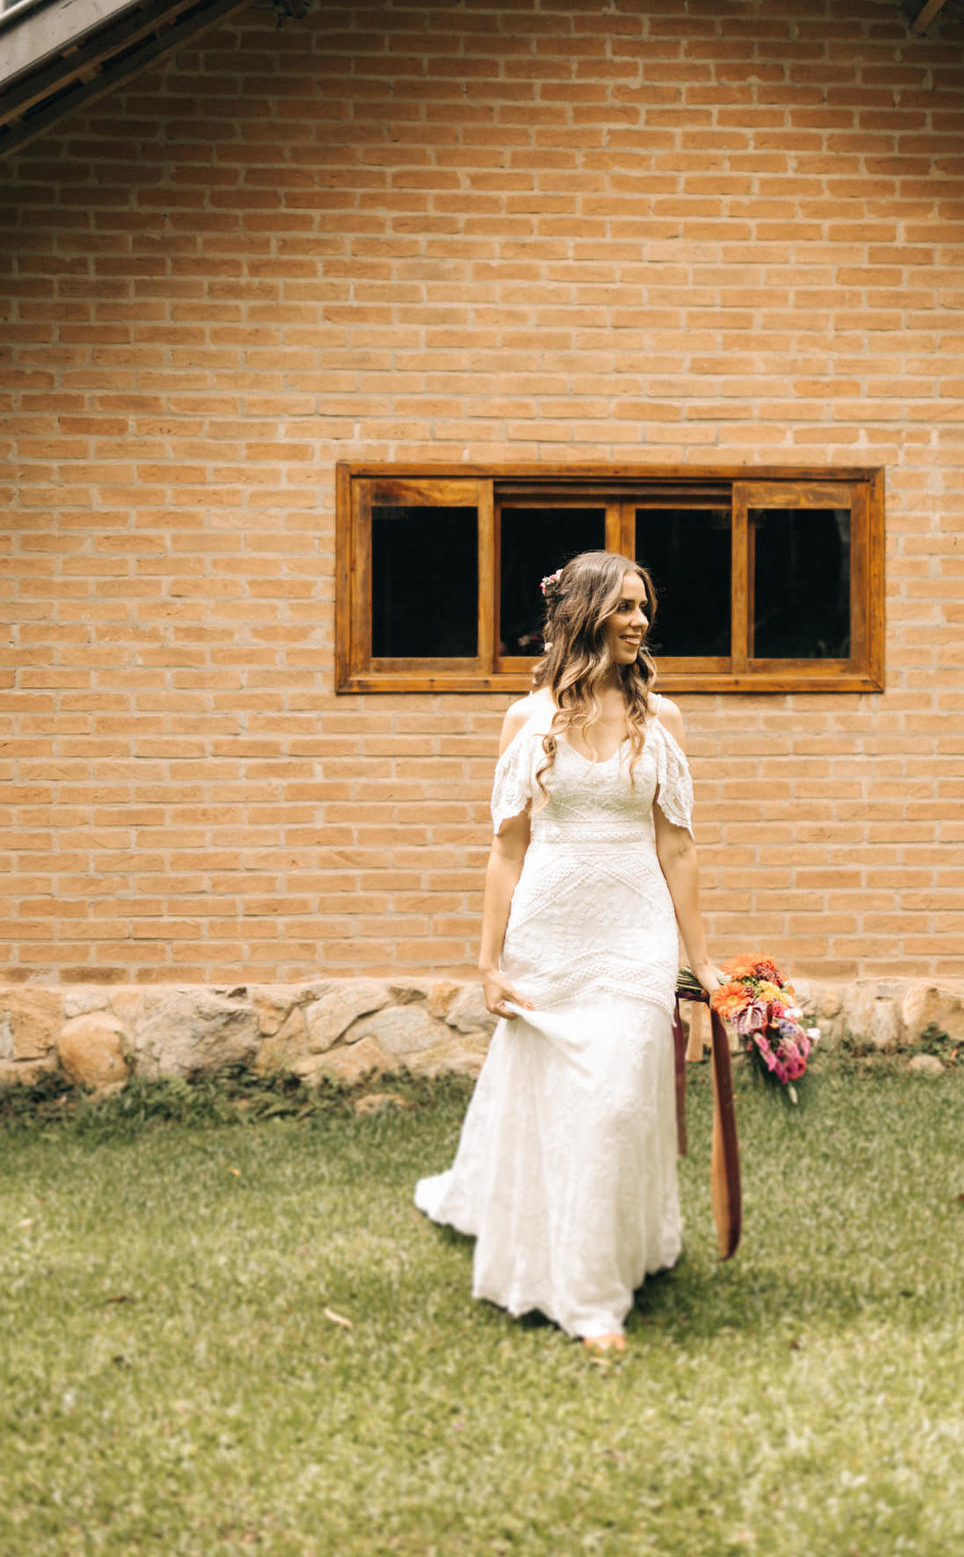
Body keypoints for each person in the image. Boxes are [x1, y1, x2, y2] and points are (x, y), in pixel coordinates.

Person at [414, 550, 723, 1354]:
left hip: (634, 930)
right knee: (555, 1100)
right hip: (549, 931)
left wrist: (702, 962)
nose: (641, 620)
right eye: (625, 606)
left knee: (617, 1098)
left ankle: (594, 1294)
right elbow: (505, 851)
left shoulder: (665, 722)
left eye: (645, 606)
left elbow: (680, 851)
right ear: (585, 614)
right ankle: (565, 1268)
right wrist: (488, 962)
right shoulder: (526, 722)